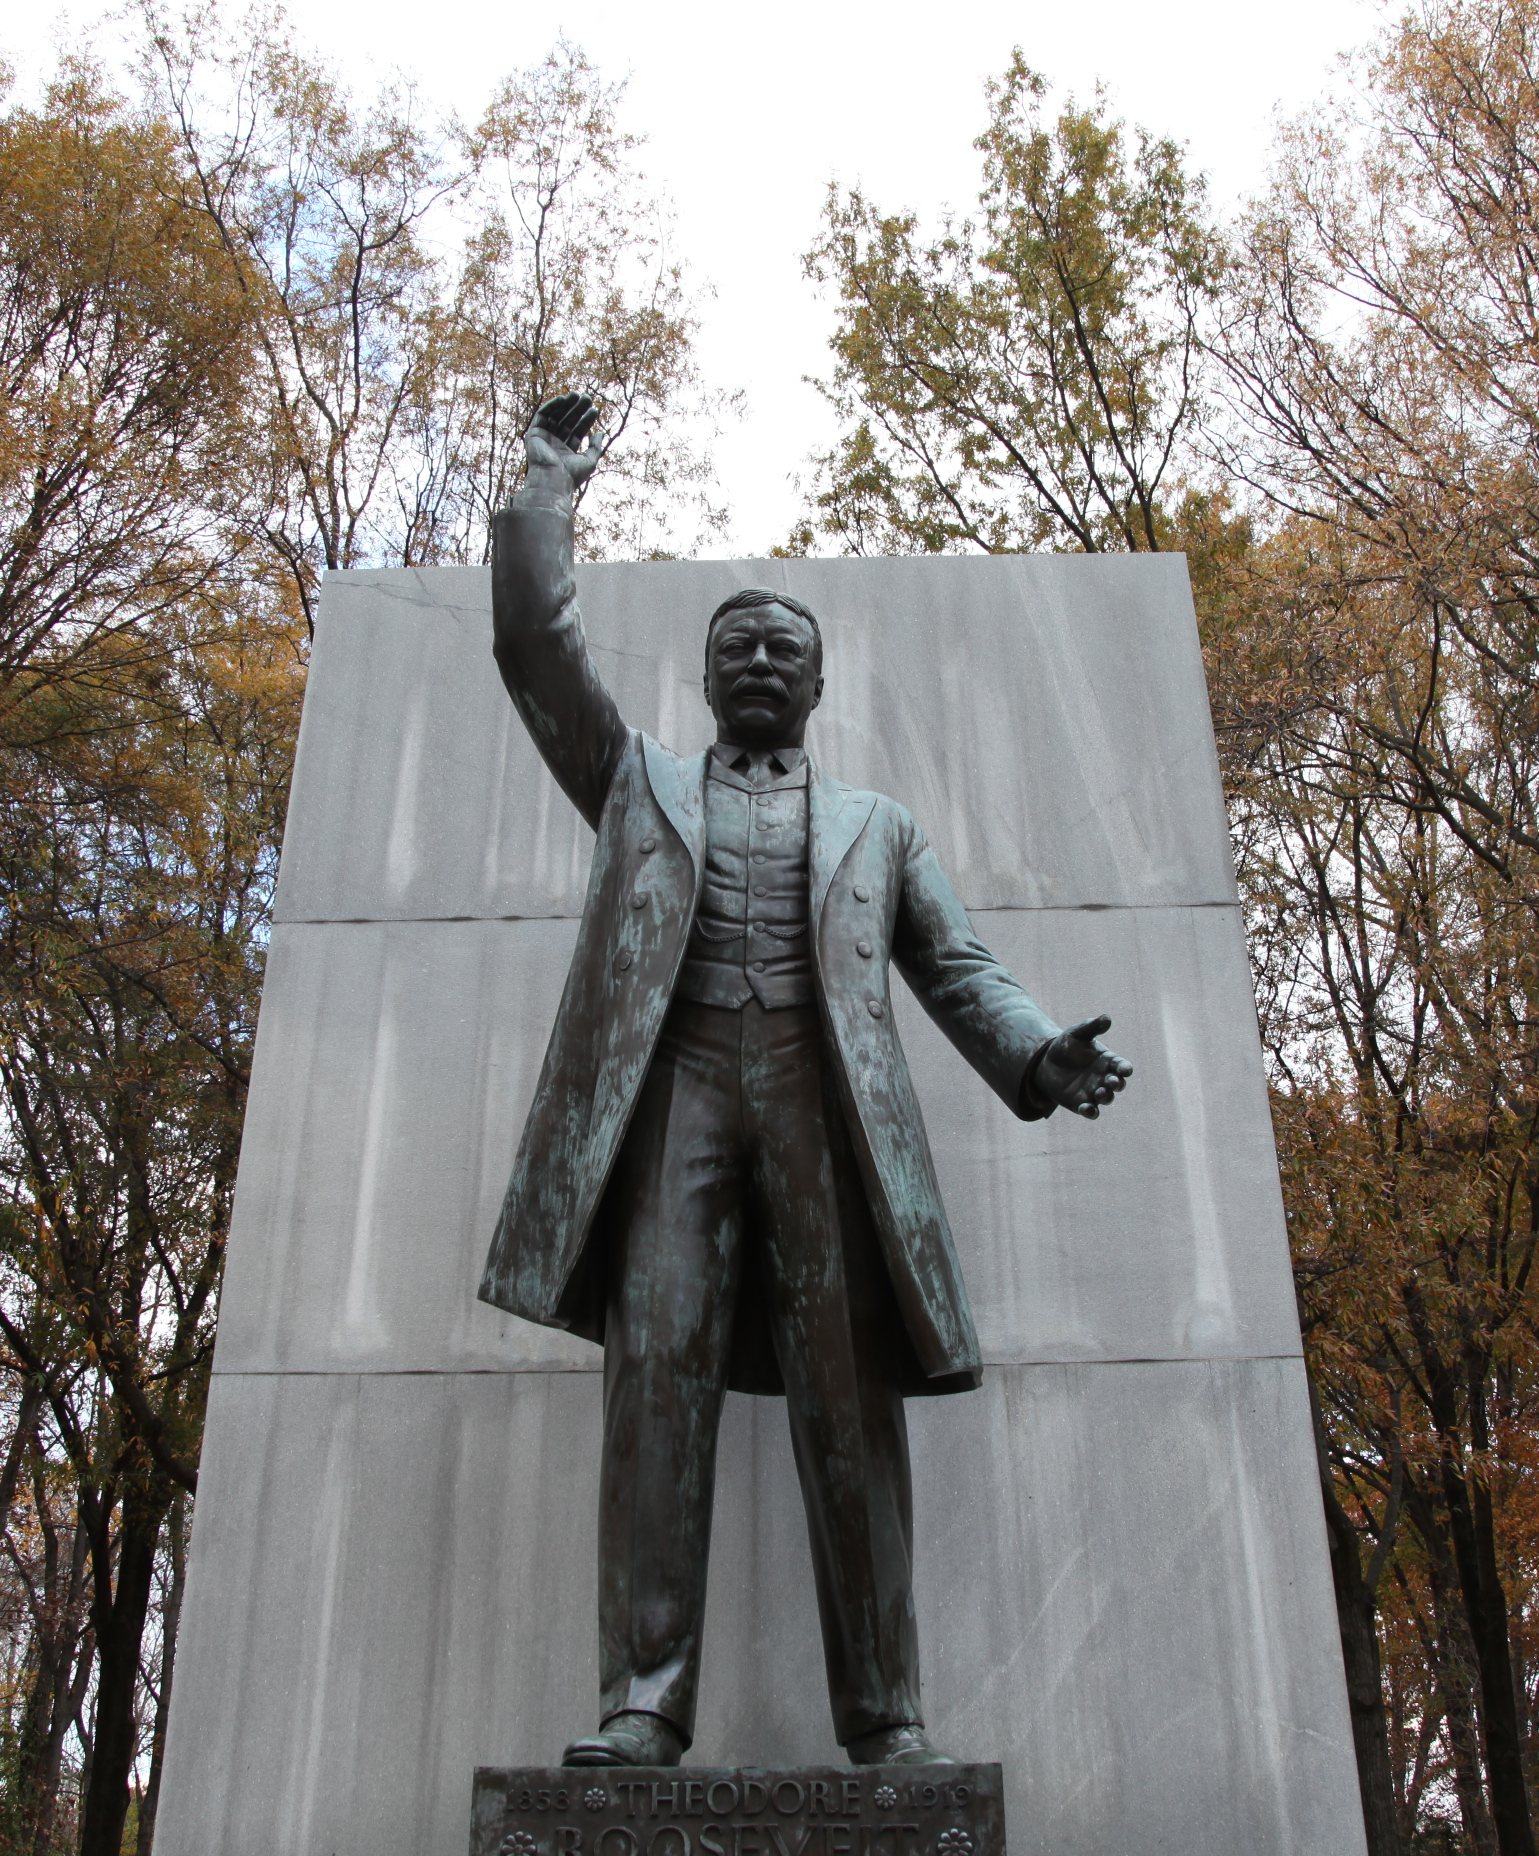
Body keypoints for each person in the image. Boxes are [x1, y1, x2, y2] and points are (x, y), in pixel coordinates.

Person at [480, 392, 1132, 1770]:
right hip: (675, 1109)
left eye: (786, 646)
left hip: (826, 1117)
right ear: (708, 681)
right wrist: (548, 492)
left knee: (853, 1410)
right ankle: (641, 1704)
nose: (763, 657)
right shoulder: (634, 781)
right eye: (739, 644)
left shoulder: (877, 826)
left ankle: (888, 1718)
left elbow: (955, 967)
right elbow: (535, 648)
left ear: (818, 685)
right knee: (655, 1395)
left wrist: (1034, 1050)